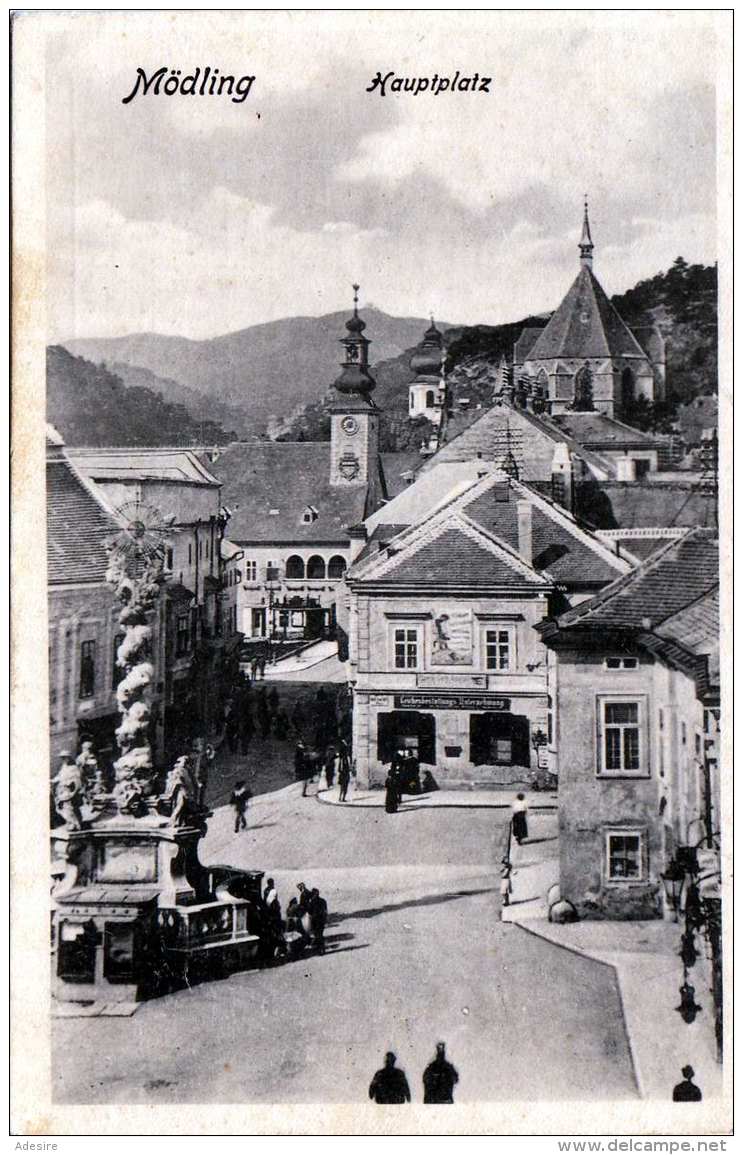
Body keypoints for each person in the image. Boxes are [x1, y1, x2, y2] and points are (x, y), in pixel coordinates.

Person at [309, 887, 328, 953]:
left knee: (317, 935)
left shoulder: (312, 902)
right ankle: (321, 949)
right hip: (321, 921)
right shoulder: (323, 901)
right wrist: (325, 919)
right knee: (320, 934)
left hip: (315, 921)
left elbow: (310, 912)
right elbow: (325, 911)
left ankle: (320, 949)